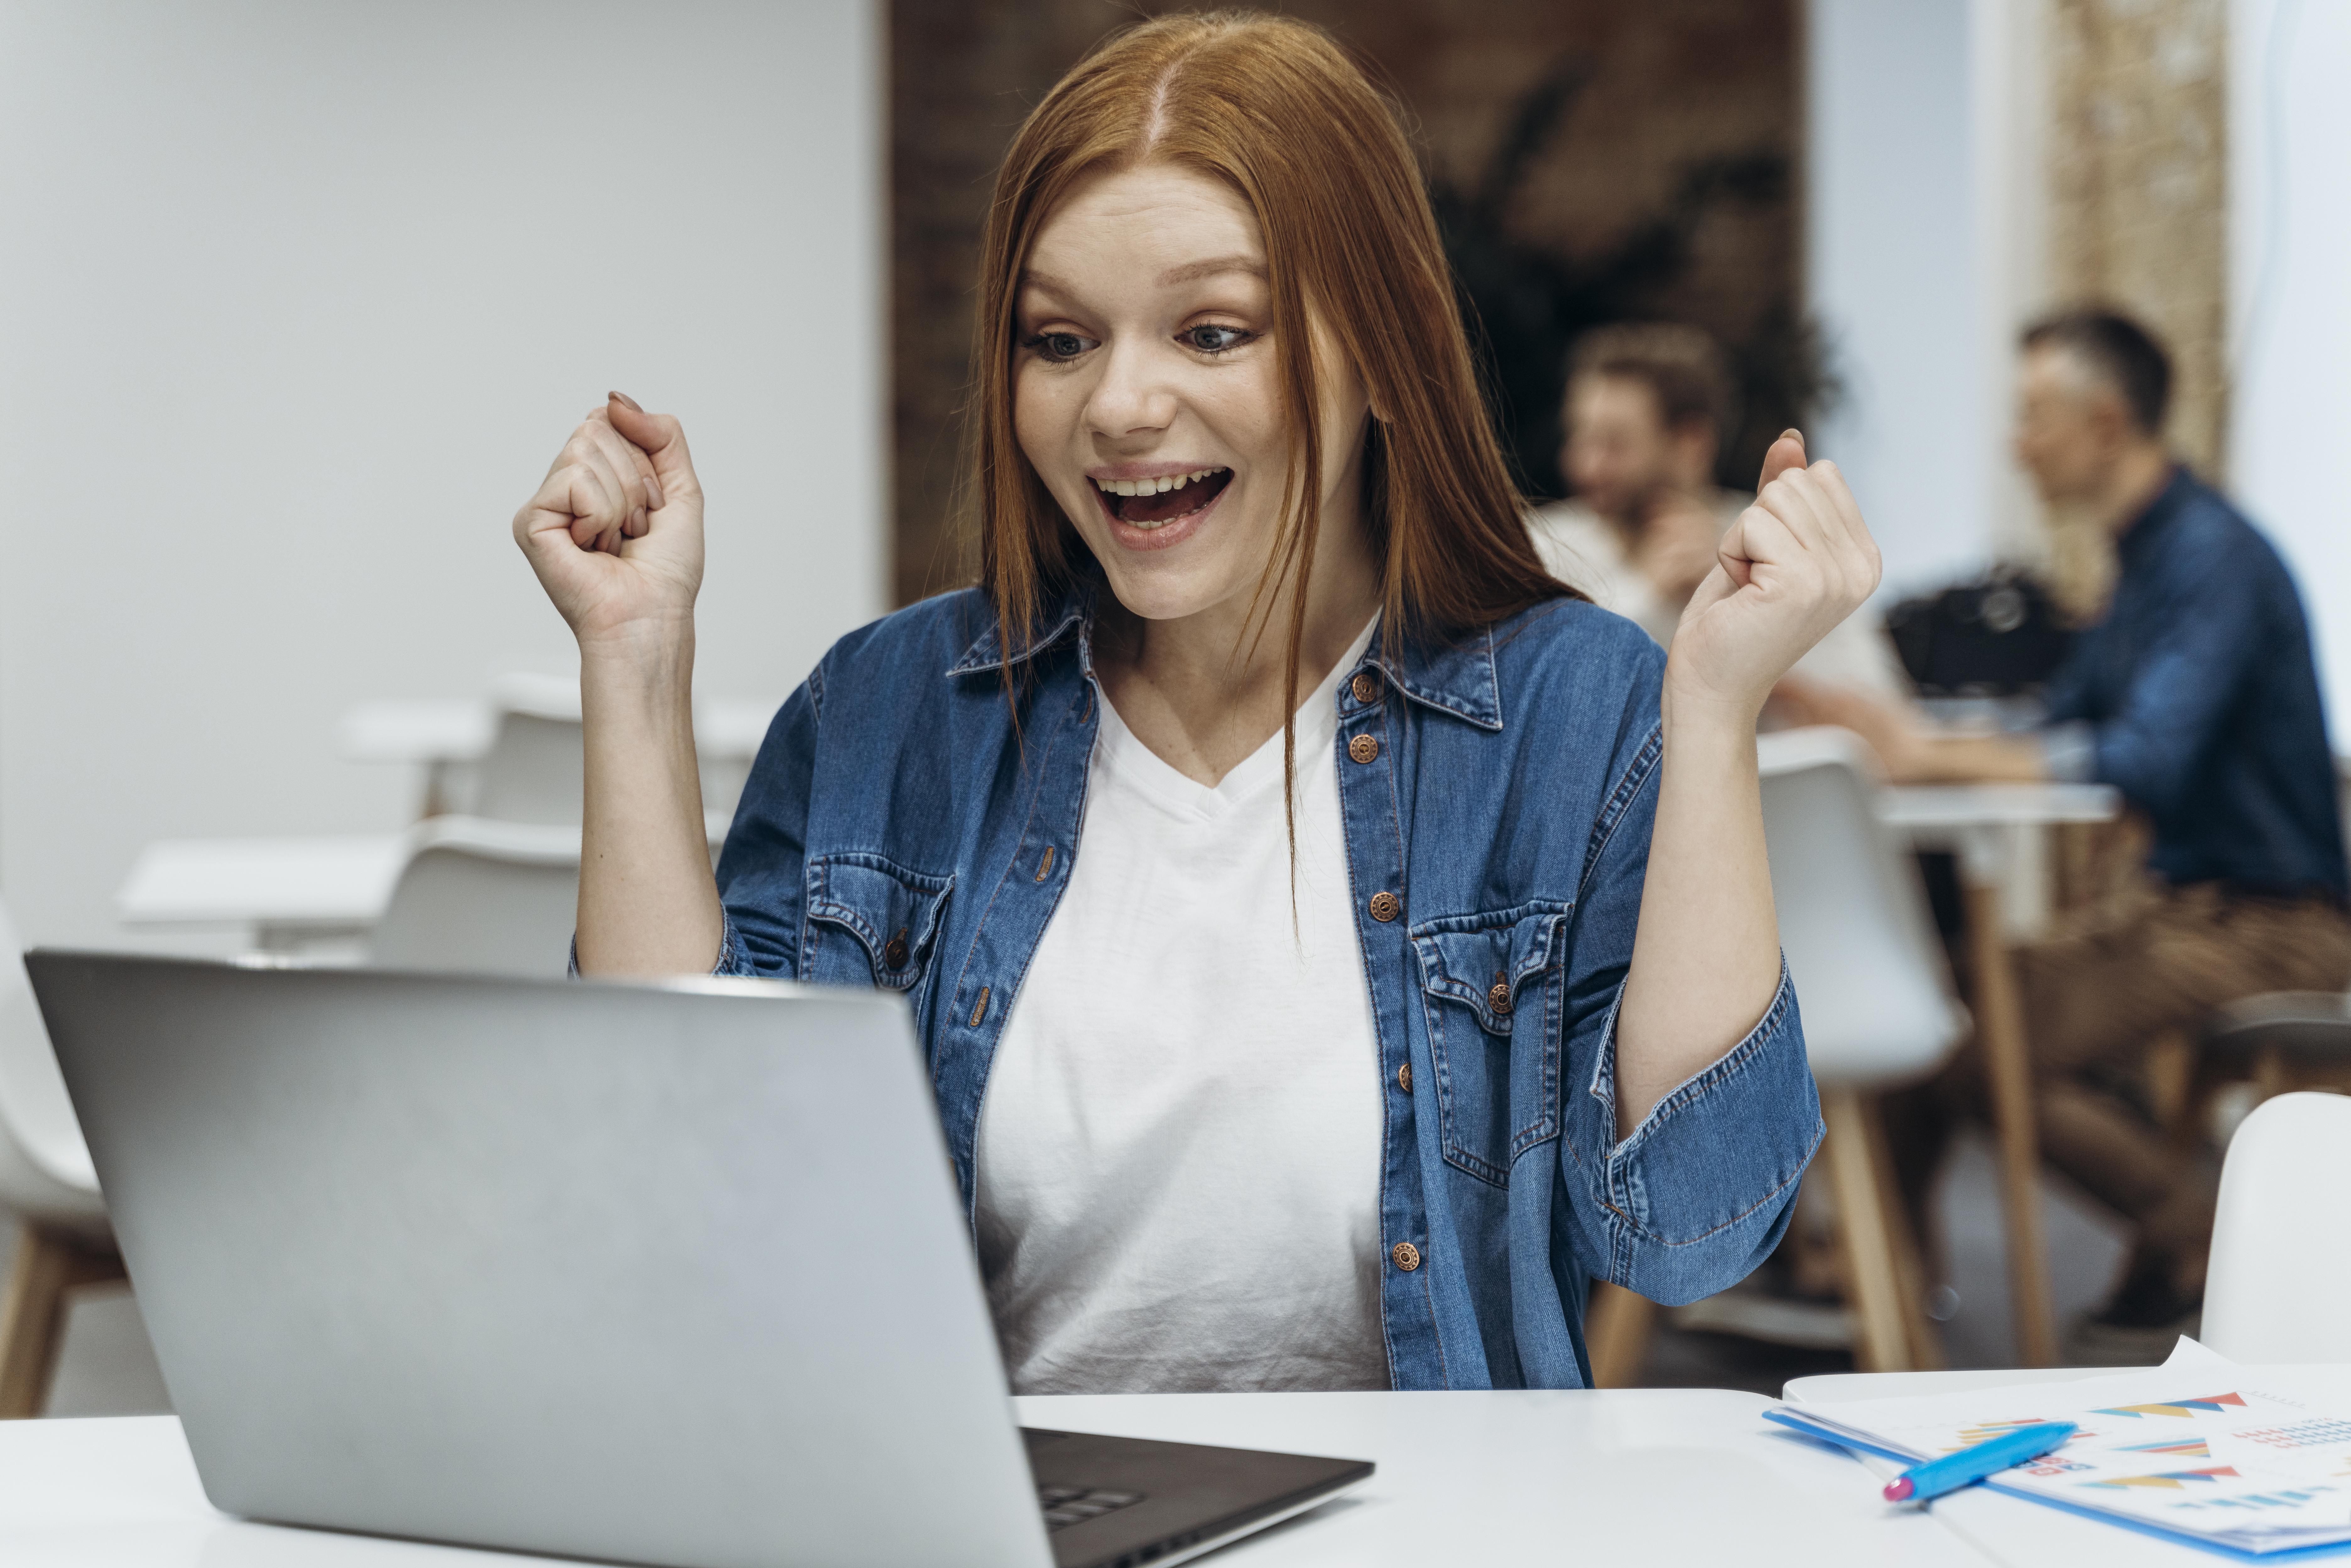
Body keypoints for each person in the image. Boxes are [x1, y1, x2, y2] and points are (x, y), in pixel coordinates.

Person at [512, 13, 1880, 1393]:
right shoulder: (890, 710)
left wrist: (1711, 709)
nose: (1116, 404)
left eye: (1210, 331)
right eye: (1057, 339)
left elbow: (1689, 1236)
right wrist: (631, 666)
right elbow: (687, 1205)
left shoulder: (1567, 707)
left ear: (1384, 354)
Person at [1786, 308, 2351, 1361]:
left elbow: (2140, 758)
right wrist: (1902, 730)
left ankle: (2190, 1230)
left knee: (1954, 1029)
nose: (2016, 442)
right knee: (1943, 998)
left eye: (2030, 416)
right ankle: (1887, 1296)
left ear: (2102, 422)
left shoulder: (2210, 561)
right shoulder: (2146, 559)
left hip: (2273, 922)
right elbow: (2054, 721)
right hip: (2183, 909)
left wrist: (1923, 752)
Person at [1528, 323, 1907, 700]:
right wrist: (1647, 596)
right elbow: (1538, 703)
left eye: (1614, 444)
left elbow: (1878, 704)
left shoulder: (1776, 535)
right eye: (1579, 437)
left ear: (1691, 444)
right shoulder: (1540, 549)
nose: (1584, 466)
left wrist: (1752, 612)